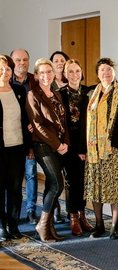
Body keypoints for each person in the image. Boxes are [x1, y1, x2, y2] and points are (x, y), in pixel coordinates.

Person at [84, 57, 118, 240]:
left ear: (114, 71)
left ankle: (115, 225)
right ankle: (99, 224)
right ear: (97, 74)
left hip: (117, 147)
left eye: (108, 70)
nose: (106, 73)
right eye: (102, 71)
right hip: (94, 150)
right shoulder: (92, 93)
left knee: (116, 185)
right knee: (96, 187)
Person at [25, 58, 70, 243]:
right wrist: (58, 145)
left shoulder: (56, 93)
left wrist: (65, 141)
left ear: (53, 74)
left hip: (60, 144)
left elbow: (63, 121)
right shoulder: (32, 95)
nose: (46, 75)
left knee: (53, 184)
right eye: (42, 72)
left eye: (49, 72)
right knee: (57, 184)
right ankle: (42, 224)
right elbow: (37, 126)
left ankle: (49, 226)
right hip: (44, 146)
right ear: (36, 75)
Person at [59, 59, 94, 236]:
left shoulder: (88, 93)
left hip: (84, 144)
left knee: (83, 181)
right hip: (66, 144)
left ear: (81, 73)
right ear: (65, 74)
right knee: (72, 182)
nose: (74, 75)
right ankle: (73, 216)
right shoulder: (59, 94)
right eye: (70, 71)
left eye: (77, 71)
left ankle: (82, 215)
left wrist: (84, 149)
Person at [0, 55, 31, 240]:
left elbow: (25, 118)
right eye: (1, 69)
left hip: (17, 146)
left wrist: (29, 144)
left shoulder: (19, 89)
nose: (4, 72)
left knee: (15, 188)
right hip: (0, 148)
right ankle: (1, 226)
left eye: (7, 69)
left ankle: (14, 225)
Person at [10, 48, 38, 225]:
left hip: (31, 136)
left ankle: (30, 211)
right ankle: (10, 214)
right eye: (18, 60)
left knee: (31, 174)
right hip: (11, 137)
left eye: (25, 60)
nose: (22, 63)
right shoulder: (5, 81)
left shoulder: (34, 81)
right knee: (11, 179)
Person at [50, 50, 70, 223]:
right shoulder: (47, 84)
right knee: (55, 178)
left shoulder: (71, 81)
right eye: (56, 60)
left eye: (62, 60)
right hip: (54, 138)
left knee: (70, 177)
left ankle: (73, 213)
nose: (59, 63)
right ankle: (55, 211)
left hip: (70, 136)